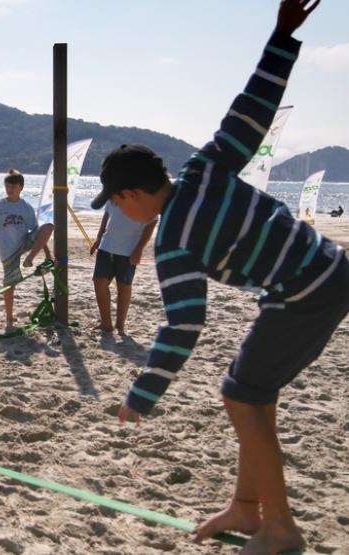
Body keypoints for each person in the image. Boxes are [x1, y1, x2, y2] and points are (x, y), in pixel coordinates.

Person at [97, 2, 344, 552]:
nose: (119, 213)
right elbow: (252, 112)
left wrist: (143, 393)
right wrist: (281, 37)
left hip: (305, 292)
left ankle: (280, 529)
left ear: (131, 195)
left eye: (115, 203)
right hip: (321, 273)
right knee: (251, 388)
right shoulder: (203, 167)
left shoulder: (173, 242)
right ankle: (246, 508)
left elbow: (184, 327)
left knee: (240, 395)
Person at [0, 169, 52, 329]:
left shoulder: (26, 207)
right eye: (7, 185)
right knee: (10, 284)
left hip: (24, 243)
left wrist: (47, 253)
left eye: (13, 186)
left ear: (21, 187)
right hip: (8, 251)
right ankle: (9, 318)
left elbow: (38, 232)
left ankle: (30, 259)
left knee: (48, 227)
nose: (10, 189)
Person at [89, 200, 157, 333]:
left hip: (129, 249)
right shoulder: (114, 193)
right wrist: (98, 237)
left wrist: (139, 249)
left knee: (124, 286)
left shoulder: (145, 196)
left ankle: (120, 325)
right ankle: (106, 324)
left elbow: (152, 223)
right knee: (99, 282)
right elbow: (107, 214)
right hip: (106, 245)